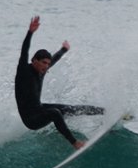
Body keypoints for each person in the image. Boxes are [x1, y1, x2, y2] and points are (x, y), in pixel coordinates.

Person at [14, 16, 103, 150]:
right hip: (30, 119)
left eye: (47, 64)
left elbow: (54, 59)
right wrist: (30, 32)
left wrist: (64, 49)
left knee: (70, 108)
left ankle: (106, 112)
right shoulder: (24, 71)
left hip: (39, 108)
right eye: (44, 63)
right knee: (55, 113)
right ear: (34, 61)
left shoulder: (42, 70)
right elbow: (24, 51)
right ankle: (75, 143)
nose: (46, 66)